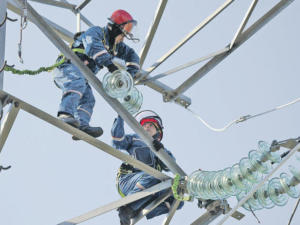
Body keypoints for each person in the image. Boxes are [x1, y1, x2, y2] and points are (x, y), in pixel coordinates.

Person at [54, 9, 140, 140]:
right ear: (116, 27)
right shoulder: (96, 32)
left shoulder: (116, 46)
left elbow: (133, 56)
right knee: (77, 84)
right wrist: (110, 65)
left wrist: (129, 74)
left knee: (88, 99)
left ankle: (81, 125)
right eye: (126, 28)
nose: (126, 34)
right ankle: (65, 113)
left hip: (83, 76)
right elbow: (93, 47)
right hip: (69, 67)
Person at [111, 110, 184, 225]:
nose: (147, 127)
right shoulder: (135, 139)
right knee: (153, 177)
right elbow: (117, 140)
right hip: (129, 180)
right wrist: (121, 117)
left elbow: (171, 165)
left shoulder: (159, 149)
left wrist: (161, 151)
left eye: (151, 125)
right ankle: (127, 208)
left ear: (158, 132)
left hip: (150, 185)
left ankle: (137, 208)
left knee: (177, 201)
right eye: (145, 125)